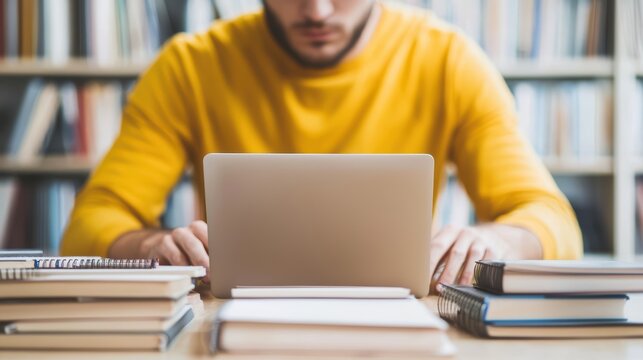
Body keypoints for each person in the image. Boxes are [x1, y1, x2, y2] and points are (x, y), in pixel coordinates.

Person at [61, 0, 582, 291]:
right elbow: (89, 225)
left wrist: (499, 242)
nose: (317, 10)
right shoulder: (190, 66)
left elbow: (552, 220)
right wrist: (148, 247)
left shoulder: (449, 62)